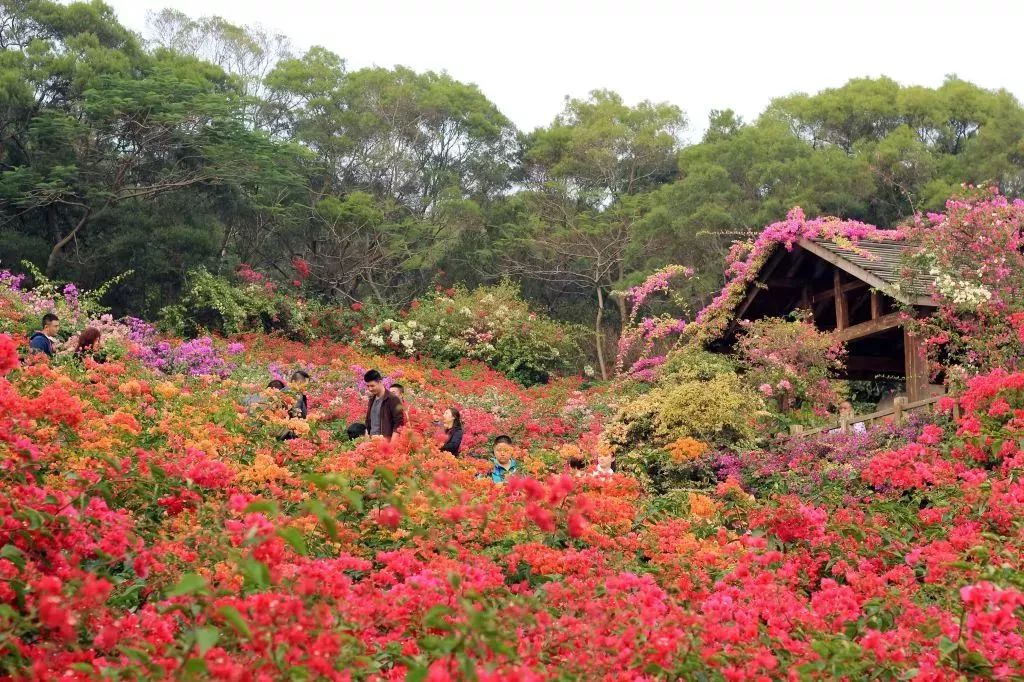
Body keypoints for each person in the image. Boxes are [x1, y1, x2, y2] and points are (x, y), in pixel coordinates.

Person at [364, 369, 405, 440]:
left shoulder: (392, 399)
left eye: (372, 386)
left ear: (380, 382)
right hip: (372, 441)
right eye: (368, 386)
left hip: (385, 443)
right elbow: (369, 422)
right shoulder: (372, 399)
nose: (370, 389)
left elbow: (398, 424)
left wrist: (392, 445)